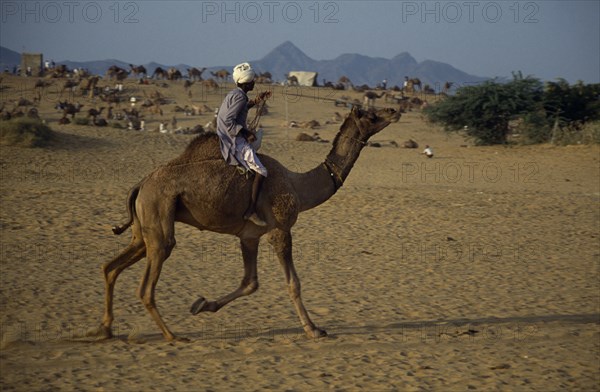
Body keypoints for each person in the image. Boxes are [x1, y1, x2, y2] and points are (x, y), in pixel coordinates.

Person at [216, 62, 270, 226]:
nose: (254, 83)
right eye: (252, 81)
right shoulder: (240, 96)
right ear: (246, 82)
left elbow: (241, 108)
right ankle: (251, 211)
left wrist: (257, 100)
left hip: (228, 134)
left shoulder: (236, 94)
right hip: (233, 139)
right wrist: (246, 133)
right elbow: (228, 120)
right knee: (262, 171)